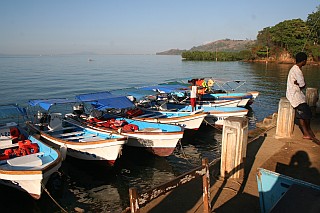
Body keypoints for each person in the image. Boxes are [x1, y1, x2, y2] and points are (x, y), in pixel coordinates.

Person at [286, 52, 319, 144]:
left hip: (294, 94)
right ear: (304, 61)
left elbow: (300, 84)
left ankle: (307, 133)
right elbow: (303, 85)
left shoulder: (294, 69)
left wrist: (298, 84)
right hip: (296, 96)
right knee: (307, 114)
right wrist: (300, 84)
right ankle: (307, 133)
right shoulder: (298, 71)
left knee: (302, 115)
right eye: (306, 60)